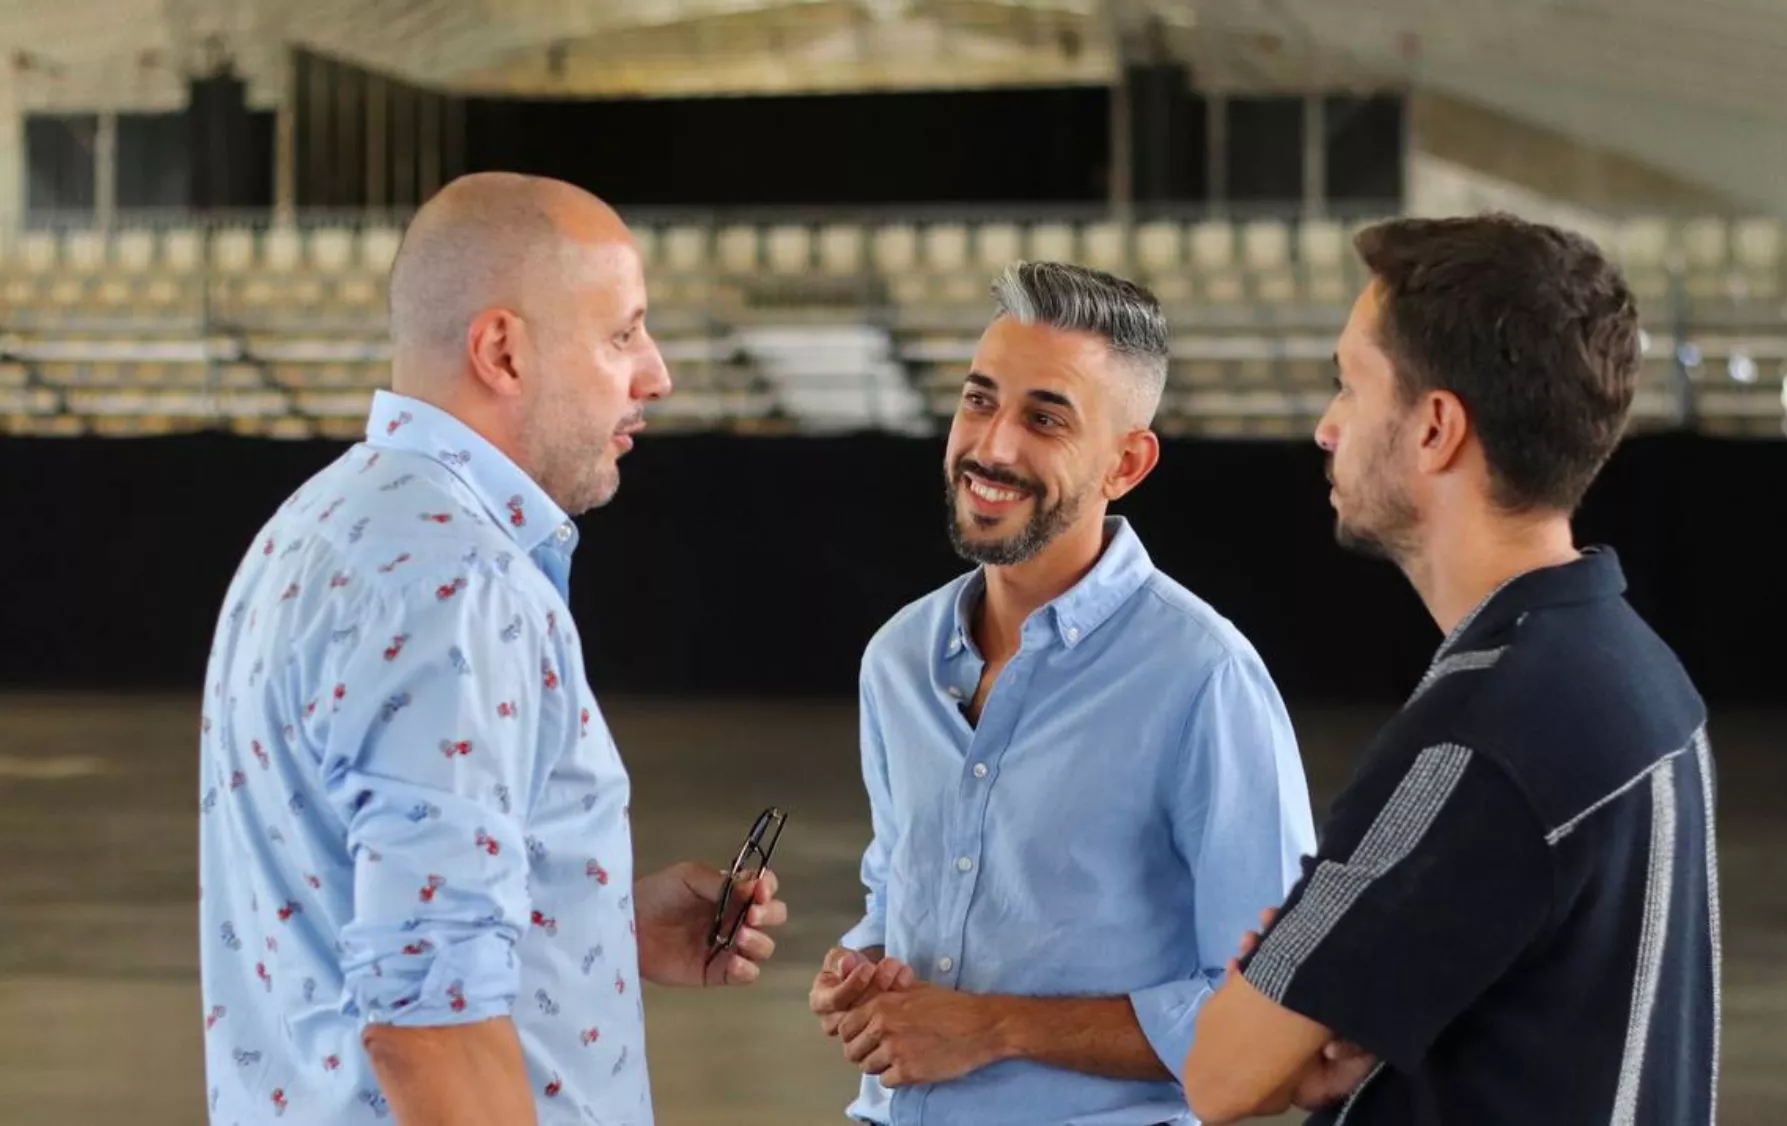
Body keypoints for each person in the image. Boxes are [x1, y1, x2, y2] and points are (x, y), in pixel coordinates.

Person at [195, 172, 786, 1126]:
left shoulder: (315, 528)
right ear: (503, 351)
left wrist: (592, 923)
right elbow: (430, 1029)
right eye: (622, 334)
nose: (656, 374)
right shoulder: (460, 586)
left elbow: (355, 910)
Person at [1181, 213, 1720, 1125]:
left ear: (1434, 428)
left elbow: (1224, 1073)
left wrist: (1285, 1023)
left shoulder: (1479, 739)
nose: (1325, 427)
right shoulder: (1639, 671)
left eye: (1350, 387)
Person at [808, 261, 1317, 1126]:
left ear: (1127, 461)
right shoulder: (897, 658)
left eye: (1045, 418)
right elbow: (901, 892)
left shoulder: (1204, 679)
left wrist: (995, 1028)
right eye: (979, 401)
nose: (993, 446)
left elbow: (1275, 1022)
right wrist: (865, 967)